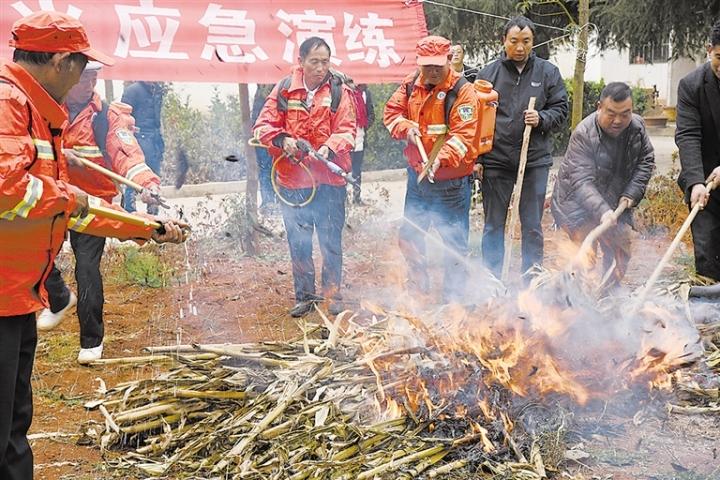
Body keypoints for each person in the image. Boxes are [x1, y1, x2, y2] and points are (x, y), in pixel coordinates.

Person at [0, 11, 187, 478]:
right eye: (84, 67)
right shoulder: (8, 102)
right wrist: (71, 196)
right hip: (3, 293)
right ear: (62, 62)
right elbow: (8, 189)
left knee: (12, 427)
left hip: (18, 294)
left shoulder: (49, 113)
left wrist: (147, 225)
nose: (88, 77)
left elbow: (88, 191)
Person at [36, 62, 165, 364]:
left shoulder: (107, 115)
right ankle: (58, 297)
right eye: (83, 79)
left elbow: (126, 152)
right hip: (55, 196)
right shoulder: (46, 107)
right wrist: (62, 157)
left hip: (92, 204)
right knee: (39, 254)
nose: (89, 85)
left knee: (87, 268)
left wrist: (146, 184)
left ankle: (91, 341)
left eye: (93, 78)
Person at [253, 37, 356, 318]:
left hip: (329, 183)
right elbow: (263, 126)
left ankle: (333, 294)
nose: (321, 68)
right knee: (299, 242)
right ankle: (305, 297)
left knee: (330, 242)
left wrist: (328, 148)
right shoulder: (285, 89)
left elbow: (348, 130)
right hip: (293, 183)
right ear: (301, 61)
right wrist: (283, 139)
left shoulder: (338, 91)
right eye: (315, 62)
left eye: (325, 61)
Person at [384, 35, 479, 302]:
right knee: (411, 236)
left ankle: (454, 300)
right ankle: (419, 287)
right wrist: (406, 128)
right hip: (417, 179)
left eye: (438, 65)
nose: (433, 71)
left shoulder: (463, 92)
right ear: (419, 63)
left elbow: (464, 136)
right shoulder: (410, 83)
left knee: (454, 245)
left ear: (449, 60)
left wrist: (440, 159)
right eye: (427, 66)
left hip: (451, 183)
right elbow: (391, 113)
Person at [476, 15, 569, 279]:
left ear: (533, 42)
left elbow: (560, 109)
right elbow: (476, 119)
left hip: (534, 161)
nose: (520, 47)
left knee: (531, 225)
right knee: (493, 225)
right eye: (514, 41)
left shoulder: (547, 72)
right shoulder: (488, 74)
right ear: (503, 41)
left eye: (526, 41)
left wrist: (542, 118)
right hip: (496, 160)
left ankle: (532, 278)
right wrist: (478, 159)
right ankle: (492, 279)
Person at [551, 82, 655, 286]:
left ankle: (610, 297)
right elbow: (581, 181)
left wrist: (631, 193)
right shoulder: (583, 134)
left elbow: (646, 160)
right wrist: (602, 210)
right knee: (583, 258)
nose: (618, 120)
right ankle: (573, 301)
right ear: (599, 106)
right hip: (577, 204)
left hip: (617, 201)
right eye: (611, 113)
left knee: (620, 250)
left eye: (625, 114)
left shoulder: (637, 127)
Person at [676, 20, 720, 281]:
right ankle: (710, 317)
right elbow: (688, 134)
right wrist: (695, 182)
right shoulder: (691, 85)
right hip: (704, 179)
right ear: (709, 50)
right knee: (707, 254)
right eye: (719, 57)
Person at [121, 80, 165, 215]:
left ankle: (153, 210)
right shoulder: (133, 90)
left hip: (154, 139)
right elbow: (122, 116)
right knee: (134, 173)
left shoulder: (157, 90)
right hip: (138, 138)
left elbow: (158, 118)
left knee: (154, 174)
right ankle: (130, 209)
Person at [251, 83, 279, 212]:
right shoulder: (266, 95)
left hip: (276, 134)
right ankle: (269, 202)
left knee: (271, 167)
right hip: (264, 135)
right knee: (266, 167)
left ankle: (273, 201)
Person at [348, 81, 375, 204]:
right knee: (342, 169)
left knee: (357, 169)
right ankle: (343, 198)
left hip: (360, 137)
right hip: (344, 137)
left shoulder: (365, 93)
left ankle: (357, 197)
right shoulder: (341, 92)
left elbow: (371, 114)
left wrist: (363, 126)